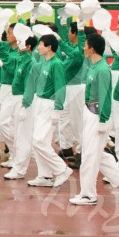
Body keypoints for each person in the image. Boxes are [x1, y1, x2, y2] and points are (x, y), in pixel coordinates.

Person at [69, 32, 119, 206]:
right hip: (89, 113)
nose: (83, 47)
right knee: (99, 155)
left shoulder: (102, 69)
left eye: (86, 45)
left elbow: (105, 97)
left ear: (91, 48)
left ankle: (88, 195)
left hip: (98, 115)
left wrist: (103, 120)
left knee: (90, 156)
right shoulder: (93, 66)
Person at [27, 33, 71, 188]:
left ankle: (61, 169)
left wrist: (57, 109)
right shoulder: (44, 62)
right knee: (38, 141)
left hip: (49, 104)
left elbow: (60, 87)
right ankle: (44, 176)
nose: (38, 47)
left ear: (49, 47)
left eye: (41, 44)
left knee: (39, 141)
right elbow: (32, 66)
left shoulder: (56, 64)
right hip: (39, 102)